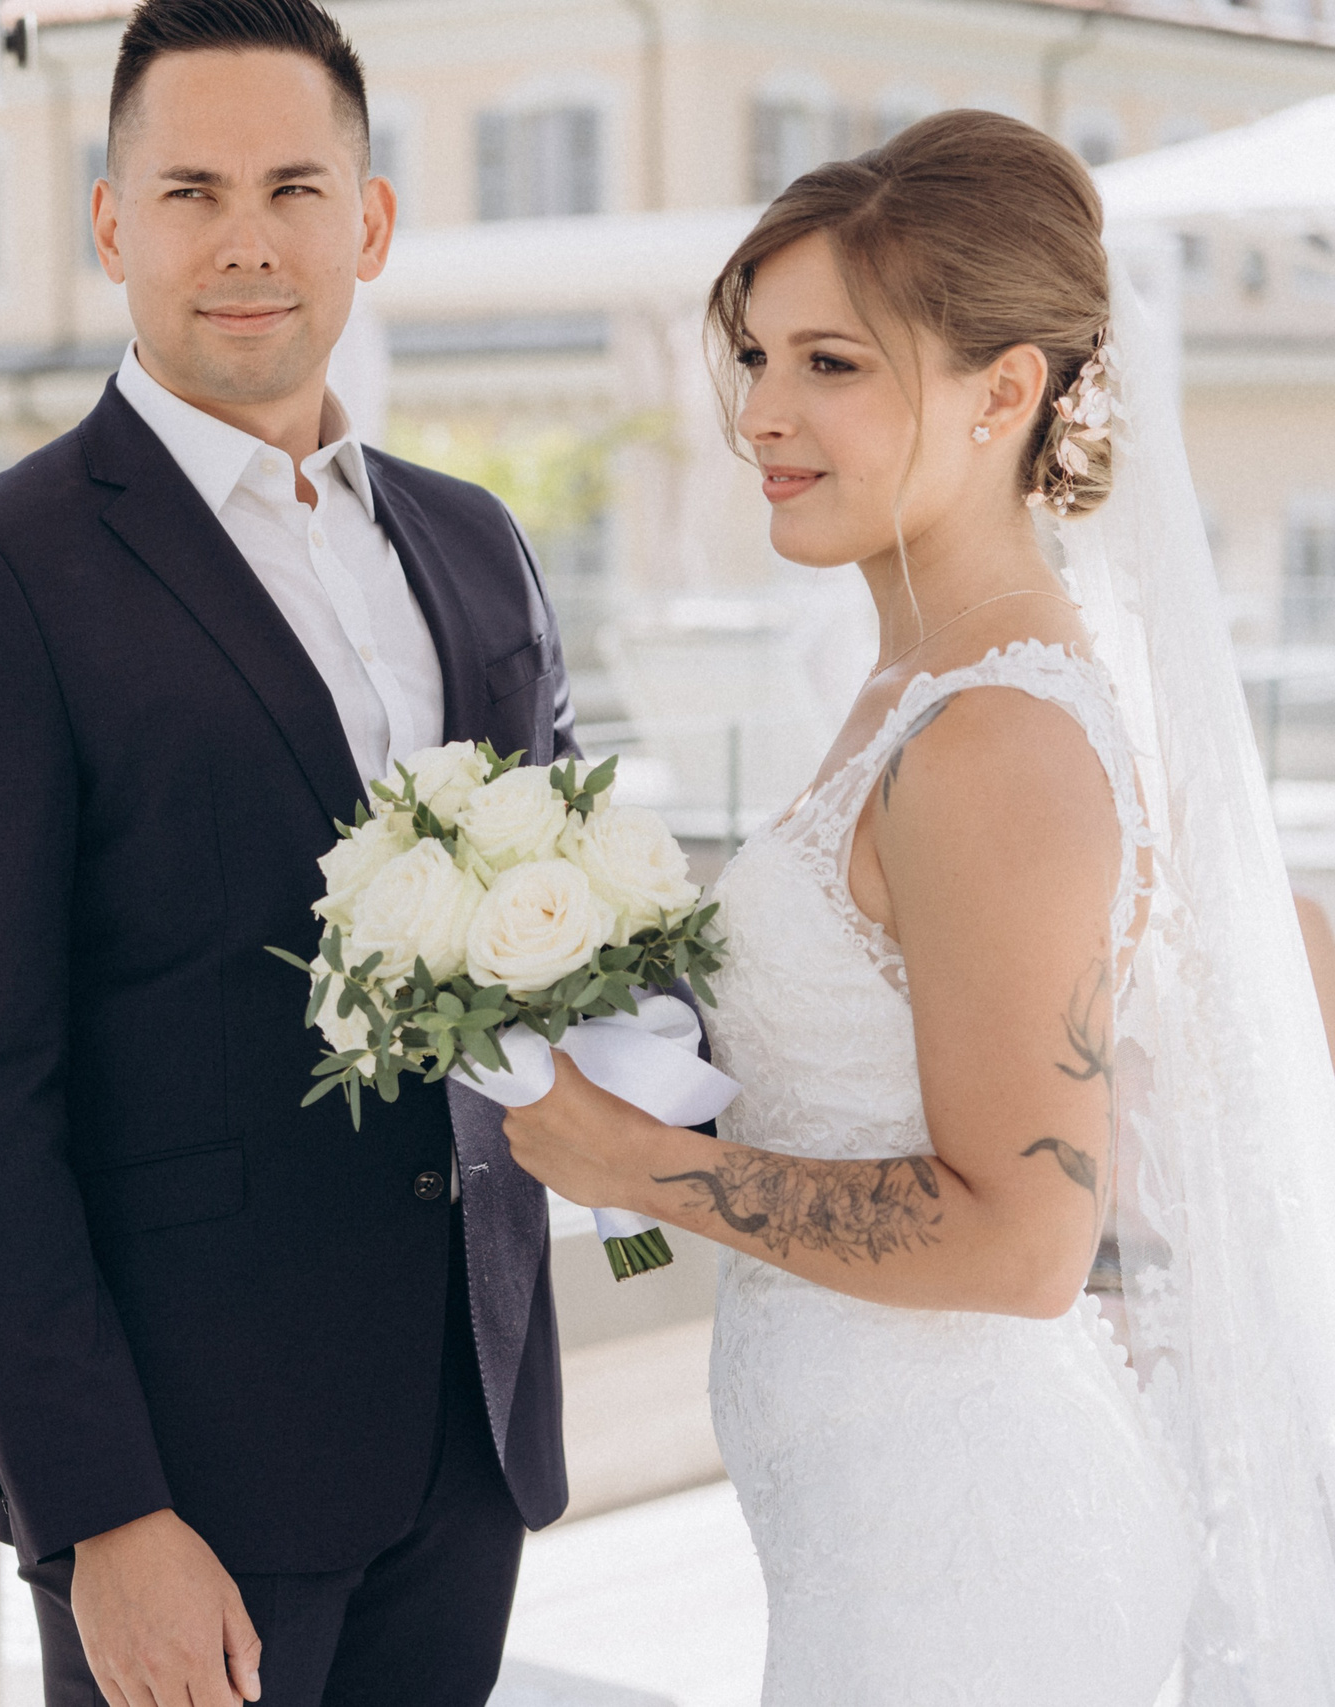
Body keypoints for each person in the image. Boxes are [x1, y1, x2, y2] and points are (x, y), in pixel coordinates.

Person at [503, 111, 1335, 1700]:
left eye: (833, 364)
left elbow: (1028, 1239)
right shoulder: (912, 680)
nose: (760, 413)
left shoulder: (997, 740)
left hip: (975, 1570)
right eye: (754, 358)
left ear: (1004, 392)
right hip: (880, 1530)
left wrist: (641, 1167)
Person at [0, 1, 578, 1702]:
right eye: (187, 190)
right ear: (111, 224)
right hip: (183, 1483)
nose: (245, 240)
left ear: (371, 222)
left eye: (293, 187)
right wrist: (109, 1514)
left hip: (463, 1439)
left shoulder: (476, 548)